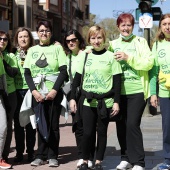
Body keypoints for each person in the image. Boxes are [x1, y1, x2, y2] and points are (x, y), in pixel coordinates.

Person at [70, 25, 122, 170]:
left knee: (102, 132)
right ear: (89, 40)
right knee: (87, 132)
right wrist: (73, 98)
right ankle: (85, 160)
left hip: (105, 102)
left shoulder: (112, 56)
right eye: (93, 38)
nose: (96, 41)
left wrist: (116, 102)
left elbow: (117, 82)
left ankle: (99, 161)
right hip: (87, 101)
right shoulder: (85, 55)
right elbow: (76, 80)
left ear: (104, 39)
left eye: (99, 37)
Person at [108, 13, 154, 170]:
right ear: (118, 27)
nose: (126, 28)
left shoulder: (141, 42)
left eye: (129, 25)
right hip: (119, 93)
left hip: (138, 91)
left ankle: (139, 162)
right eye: (123, 25)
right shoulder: (113, 44)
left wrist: (129, 58)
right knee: (121, 125)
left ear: (133, 26)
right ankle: (125, 158)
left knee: (133, 125)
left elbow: (148, 63)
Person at [23, 20, 67, 167]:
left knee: (53, 125)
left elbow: (63, 71)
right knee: (40, 124)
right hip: (38, 94)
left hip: (53, 93)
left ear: (51, 33)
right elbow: (27, 73)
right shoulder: (32, 50)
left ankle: (53, 155)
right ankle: (40, 155)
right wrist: (34, 92)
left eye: (47, 30)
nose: (44, 33)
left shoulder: (57, 49)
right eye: (41, 30)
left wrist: (54, 90)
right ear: (38, 32)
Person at [63, 29, 95, 169]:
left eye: (73, 40)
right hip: (74, 95)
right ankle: (82, 156)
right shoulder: (68, 57)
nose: (71, 43)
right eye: (68, 41)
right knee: (78, 127)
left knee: (90, 128)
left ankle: (91, 157)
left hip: (88, 94)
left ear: (79, 40)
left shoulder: (88, 51)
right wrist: (71, 98)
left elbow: (98, 46)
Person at [149, 13, 170, 170]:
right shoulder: (157, 45)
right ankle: (168, 158)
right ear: (161, 27)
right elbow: (153, 71)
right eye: (165, 24)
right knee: (167, 127)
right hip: (165, 92)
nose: (168, 27)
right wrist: (153, 92)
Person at [13, 27, 36, 163]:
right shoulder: (12, 53)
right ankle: (19, 152)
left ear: (30, 38)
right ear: (17, 39)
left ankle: (31, 152)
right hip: (16, 91)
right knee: (18, 124)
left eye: (26, 36)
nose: (23, 39)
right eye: (20, 36)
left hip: (30, 91)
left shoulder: (34, 52)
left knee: (31, 124)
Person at [0, 30, 18, 164]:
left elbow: (13, 73)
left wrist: (3, 60)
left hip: (10, 94)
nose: (2, 41)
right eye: (0, 39)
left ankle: (4, 156)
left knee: (6, 125)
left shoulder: (11, 55)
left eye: (5, 39)